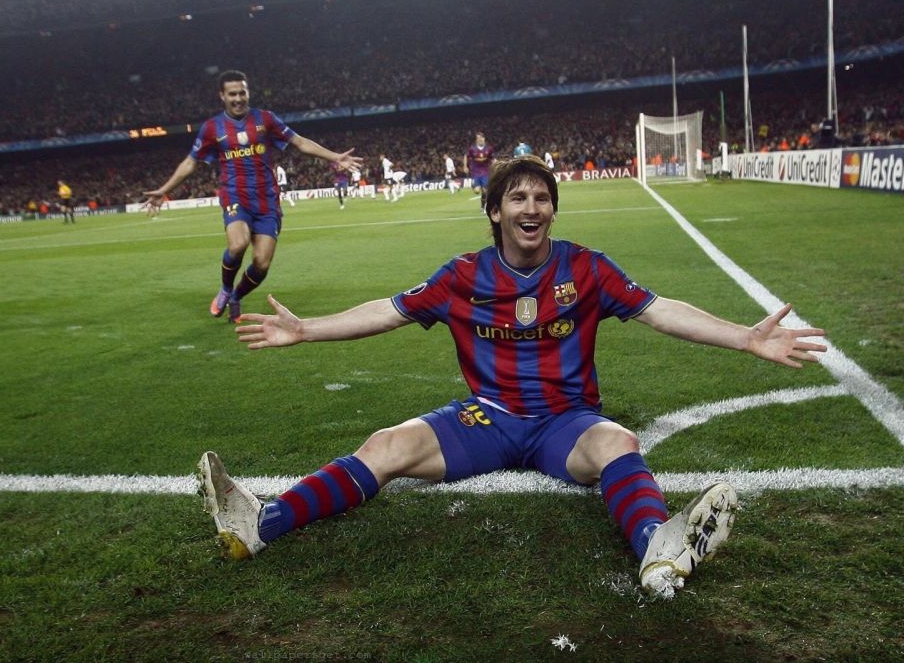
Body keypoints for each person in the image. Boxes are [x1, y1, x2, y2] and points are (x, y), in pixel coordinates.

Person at [199, 155, 827, 599]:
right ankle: (261, 525)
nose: (533, 208)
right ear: (494, 211)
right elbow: (386, 311)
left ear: (552, 209)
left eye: (542, 198)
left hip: (567, 423)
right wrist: (307, 329)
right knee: (386, 446)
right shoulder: (462, 276)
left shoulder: (586, 267)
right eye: (519, 198)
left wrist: (746, 337)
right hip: (488, 417)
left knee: (620, 443)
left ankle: (659, 549)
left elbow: (661, 311)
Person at [143, 70, 361, 322]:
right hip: (235, 195)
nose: (238, 98)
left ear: (248, 92)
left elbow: (299, 142)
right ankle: (225, 289)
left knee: (262, 264)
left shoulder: (265, 119)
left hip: (267, 201)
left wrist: (335, 156)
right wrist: (164, 190)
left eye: (242, 92)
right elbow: (191, 162)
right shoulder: (212, 128)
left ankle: (236, 296)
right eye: (232, 94)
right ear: (222, 96)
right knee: (238, 244)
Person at [463, 132, 495, 211]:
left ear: (484, 139)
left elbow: (493, 158)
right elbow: (465, 156)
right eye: (478, 138)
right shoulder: (472, 149)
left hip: (485, 171)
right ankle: (473, 185)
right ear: (476, 140)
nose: (480, 140)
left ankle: (482, 206)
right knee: (477, 191)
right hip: (475, 172)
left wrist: (496, 165)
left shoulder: (489, 148)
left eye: (481, 138)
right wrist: (465, 166)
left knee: (485, 191)